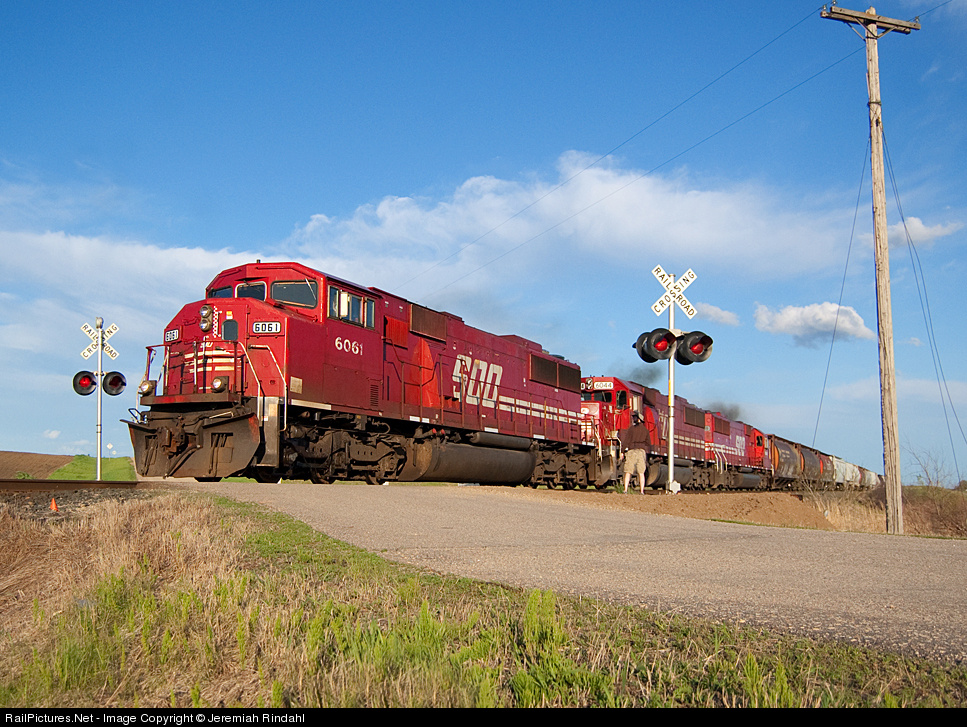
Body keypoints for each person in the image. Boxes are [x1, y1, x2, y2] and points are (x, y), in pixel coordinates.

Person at [618, 413, 651, 494]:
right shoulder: (645, 430)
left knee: (628, 471)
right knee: (641, 472)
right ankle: (642, 491)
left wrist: (622, 451)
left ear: (638, 419)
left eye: (634, 417)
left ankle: (625, 490)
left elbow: (626, 441)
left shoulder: (631, 429)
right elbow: (648, 443)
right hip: (641, 452)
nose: (633, 419)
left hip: (631, 451)